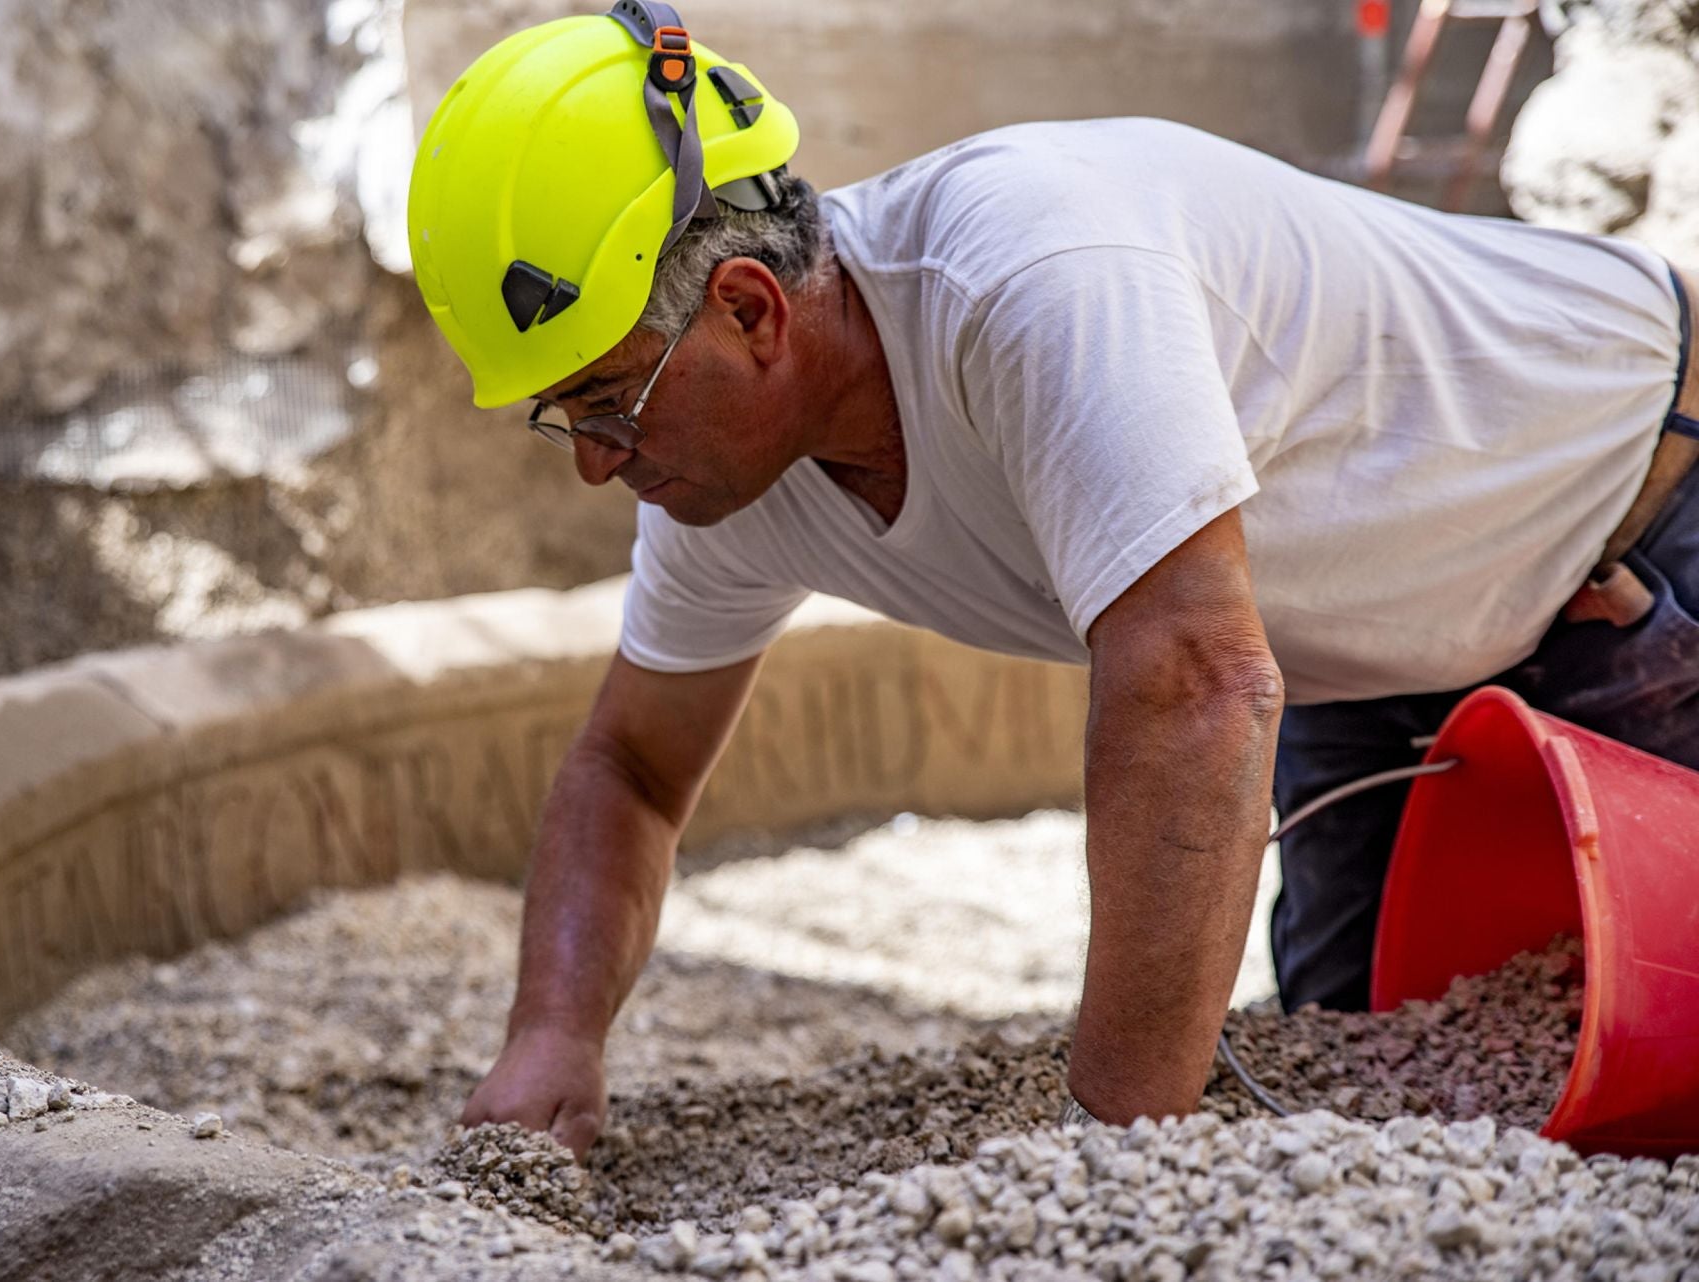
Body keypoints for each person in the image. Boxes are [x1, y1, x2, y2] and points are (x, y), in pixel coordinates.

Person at [407, 3, 1699, 1156]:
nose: (591, 461)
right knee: (1367, 1088)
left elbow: (1193, 683)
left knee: (1654, 1080)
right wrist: (552, 1038)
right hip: (1381, 642)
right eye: (559, 414)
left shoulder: (1029, 270)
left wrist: (1104, 1162)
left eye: (603, 397)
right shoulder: (721, 475)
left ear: (751, 308)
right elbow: (631, 764)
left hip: (1637, 505)